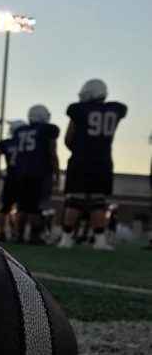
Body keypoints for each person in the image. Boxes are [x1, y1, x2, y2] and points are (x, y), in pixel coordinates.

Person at [58, 79, 128, 250]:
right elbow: (110, 136)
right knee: (99, 201)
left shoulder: (79, 109)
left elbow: (68, 138)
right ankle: (99, 240)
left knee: (75, 200)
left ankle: (66, 239)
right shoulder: (116, 109)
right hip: (103, 159)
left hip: (81, 159)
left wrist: (79, 150)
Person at [9, 106, 60, 245]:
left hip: (21, 173)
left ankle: (18, 235)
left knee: (22, 207)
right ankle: (34, 235)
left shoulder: (20, 131)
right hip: (39, 172)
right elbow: (52, 153)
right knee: (35, 207)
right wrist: (57, 174)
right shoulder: (47, 130)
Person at [0, 119, 24, 241]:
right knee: (21, 208)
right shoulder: (26, 143)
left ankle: (2, 232)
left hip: (10, 177)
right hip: (23, 177)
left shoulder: (7, 143)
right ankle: (17, 233)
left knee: (5, 208)